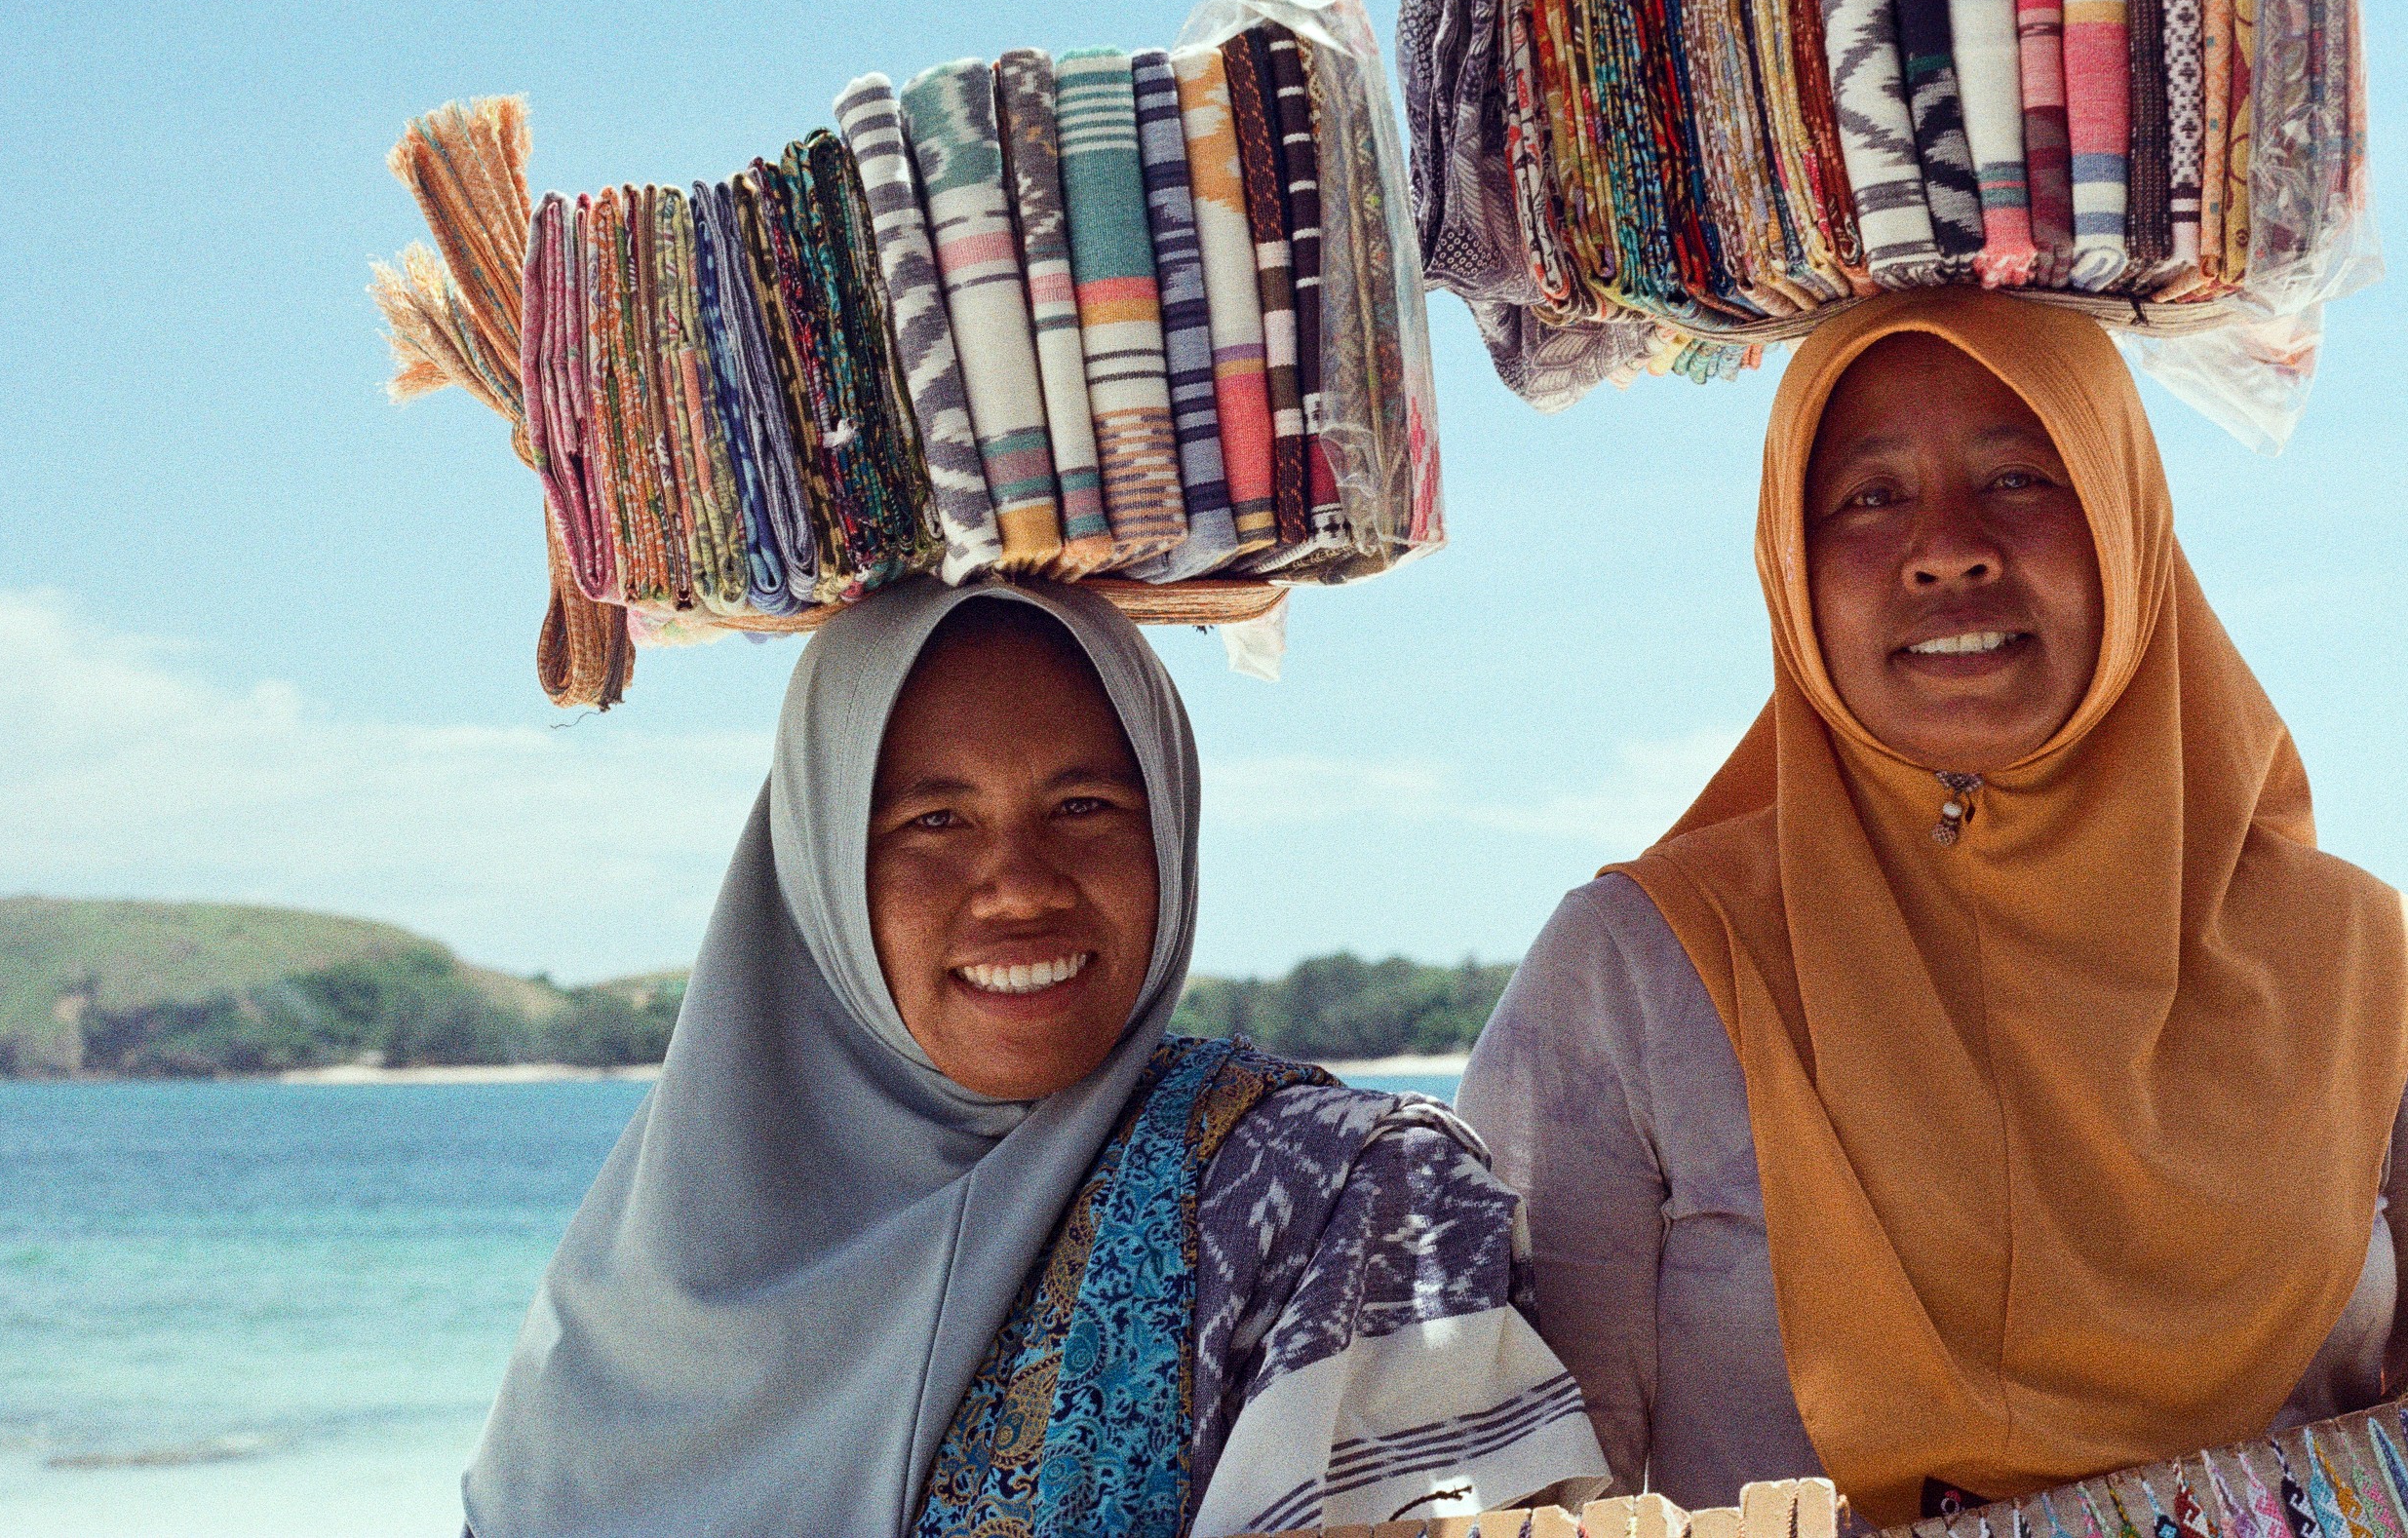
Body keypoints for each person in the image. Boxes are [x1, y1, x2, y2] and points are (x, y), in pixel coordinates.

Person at [1458, 288, 2408, 1523]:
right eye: (1869, 497)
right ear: (1790, 559)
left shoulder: (2364, 973)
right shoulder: (1637, 971)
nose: (1947, 547)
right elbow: (1540, 1494)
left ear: (2126, 523)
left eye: (2021, 479)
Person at [465, 577, 1605, 1538]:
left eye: (1085, 803)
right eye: (935, 822)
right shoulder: (636, 1303)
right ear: (816, 873)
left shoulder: (1331, 1206)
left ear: (1168, 829)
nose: (1018, 882)